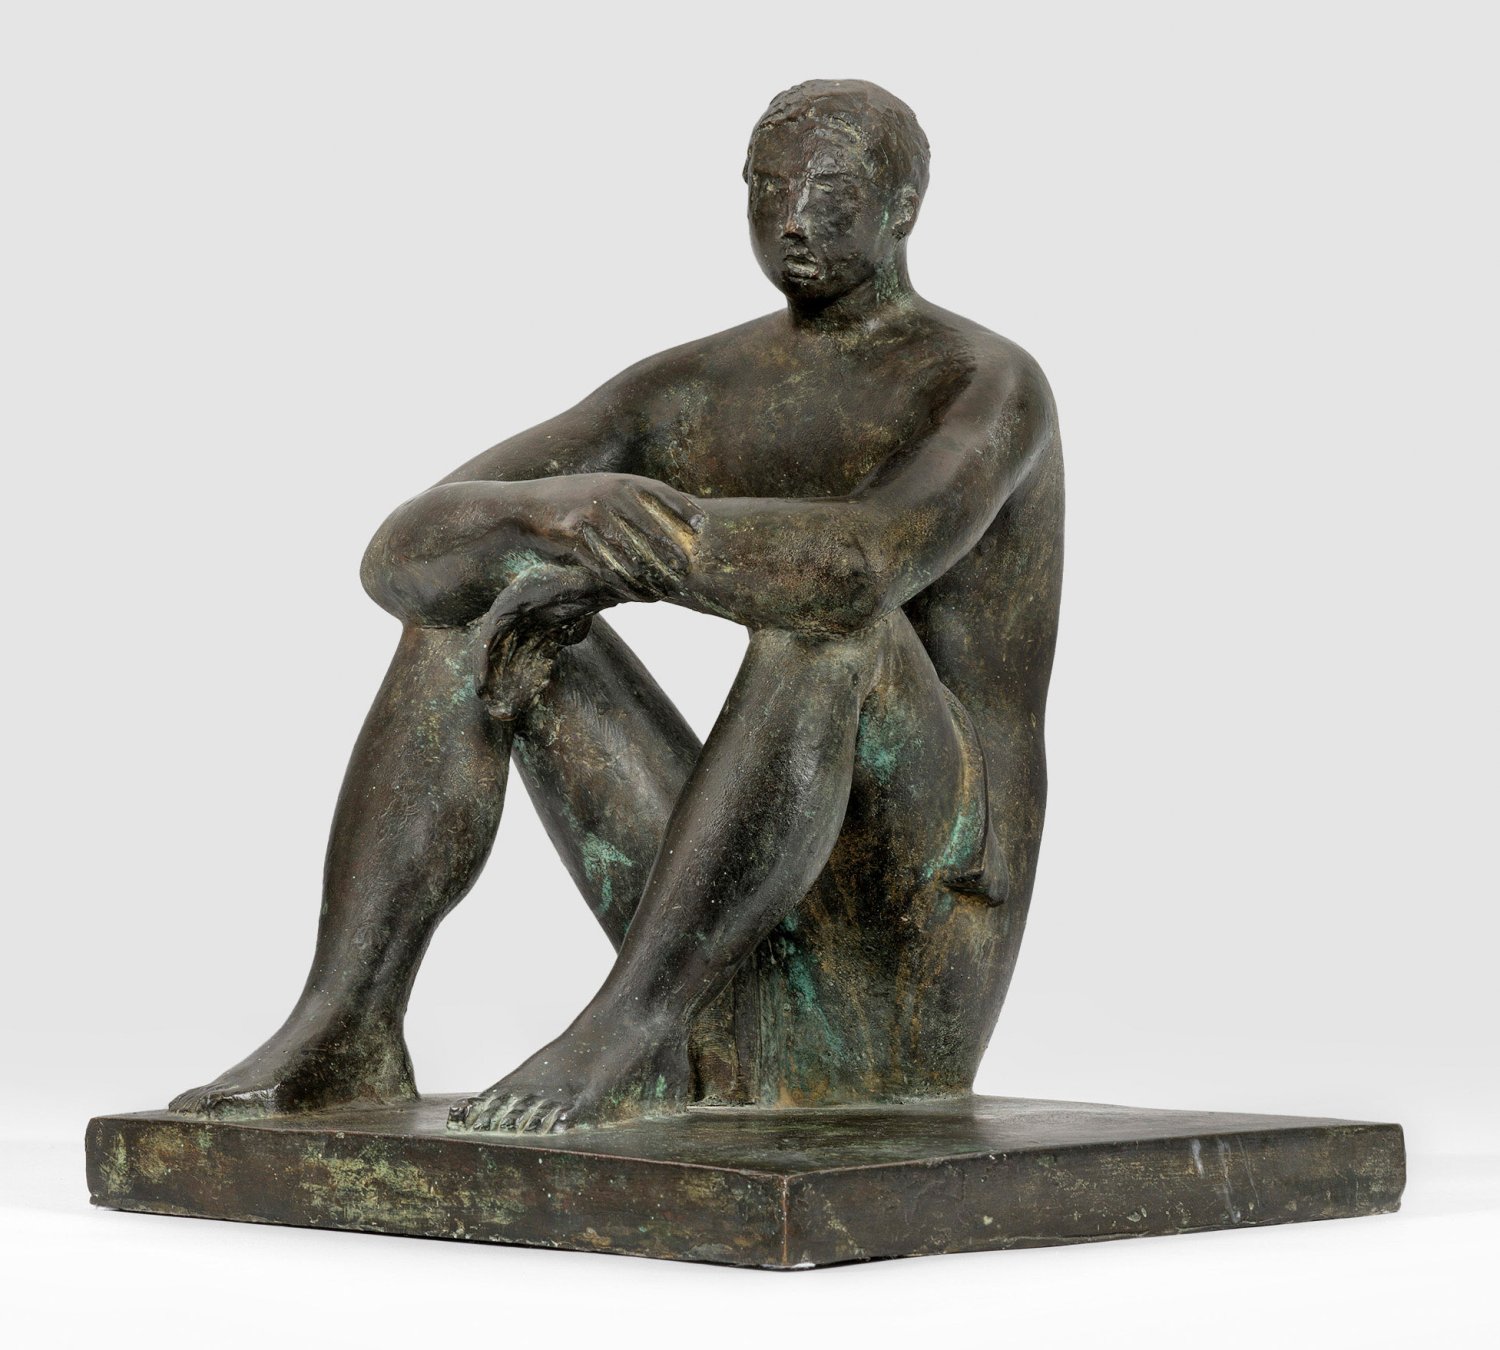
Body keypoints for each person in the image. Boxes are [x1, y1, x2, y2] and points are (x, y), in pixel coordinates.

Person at [171, 79, 1064, 1134]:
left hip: (908, 951)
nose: (792, 217)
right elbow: (403, 554)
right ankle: (346, 1019)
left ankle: (631, 1027)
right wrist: (555, 519)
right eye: (768, 186)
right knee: (479, 609)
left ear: (903, 205)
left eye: (828, 189)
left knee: (834, 632)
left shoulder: (984, 382)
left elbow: (862, 565)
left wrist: (647, 547)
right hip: (729, 928)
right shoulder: (691, 389)